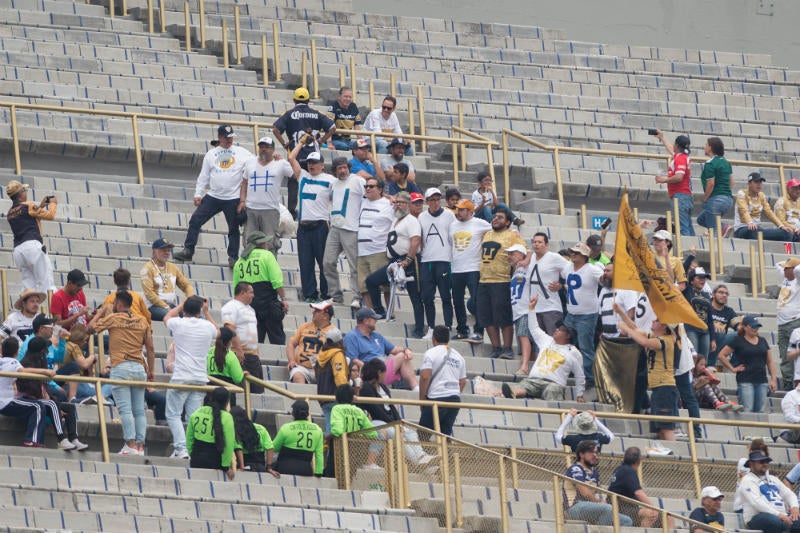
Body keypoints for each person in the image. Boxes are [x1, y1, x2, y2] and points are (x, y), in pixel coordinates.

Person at [173, 125, 251, 268]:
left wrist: (244, 199)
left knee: (233, 229)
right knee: (195, 220)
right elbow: (204, 176)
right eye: (226, 137)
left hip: (233, 197)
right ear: (220, 138)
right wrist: (198, 194)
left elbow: (257, 163)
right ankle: (188, 250)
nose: (229, 140)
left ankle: (233, 257)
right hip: (214, 195)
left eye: (231, 137)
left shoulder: (243, 153)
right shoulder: (211, 154)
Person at [88, 290, 155, 456]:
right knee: (139, 410)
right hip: (139, 368)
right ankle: (140, 446)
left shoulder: (113, 318)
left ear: (118, 304)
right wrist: (151, 371)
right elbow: (151, 348)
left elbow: (90, 329)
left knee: (125, 409)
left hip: (121, 366)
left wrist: (102, 312)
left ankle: (130, 444)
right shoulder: (142, 321)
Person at [163, 295, 219, 459]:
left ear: (185, 310)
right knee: (193, 416)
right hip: (200, 378)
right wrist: (207, 313)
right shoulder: (207, 326)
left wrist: (180, 305)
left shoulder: (179, 323)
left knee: (173, 414)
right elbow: (219, 332)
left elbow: (166, 317)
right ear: (199, 310)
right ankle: (189, 448)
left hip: (181, 376)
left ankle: (181, 448)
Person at [364, 192, 425, 337]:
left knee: (415, 296)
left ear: (408, 205)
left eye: (401, 202)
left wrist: (408, 259)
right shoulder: (396, 220)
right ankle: (379, 311)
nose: (397, 204)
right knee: (371, 281)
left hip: (408, 261)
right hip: (395, 262)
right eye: (396, 202)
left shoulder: (411, 220)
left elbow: (415, 240)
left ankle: (419, 328)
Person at [357, 358, 438, 468]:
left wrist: (400, 422)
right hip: (375, 421)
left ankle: (421, 457)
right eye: (384, 373)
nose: (385, 376)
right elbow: (376, 410)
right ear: (379, 373)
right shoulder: (366, 388)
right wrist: (394, 424)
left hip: (389, 422)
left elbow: (392, 407)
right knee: (398, 434)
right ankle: (420, 462)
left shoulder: (383, 387)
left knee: (410, 432)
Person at [501, 296, 585, 402]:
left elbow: (579, 374)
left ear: (568, 335)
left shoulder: (574, 352)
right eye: (557, 328)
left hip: (554, 384)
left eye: (561, 329)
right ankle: (513, 393)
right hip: (534, 380)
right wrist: (531, 309)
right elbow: (534, 328)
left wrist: (579, 395)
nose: (556, 329)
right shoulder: (546, 340)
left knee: (552, 390)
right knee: (524, 385)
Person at [615, 304, 678, 441]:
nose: (652, 322)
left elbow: (644, 342)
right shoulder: (655, 336)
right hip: (658, 388)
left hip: (665, 387)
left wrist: (625, 328)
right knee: (659, 428)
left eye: (656, 321)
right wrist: (621, 313)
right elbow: (635, 329)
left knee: (666, 427)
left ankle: (674, 458)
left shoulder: (665, 340)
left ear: (664, 326)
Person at [272, 87, 335, 218]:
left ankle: (292, 211)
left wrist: (284, 144)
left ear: (294, 100)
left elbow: (275, 129)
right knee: (316, 180)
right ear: (309, 100)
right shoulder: (316, 113)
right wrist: (322, 140)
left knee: (294, 181)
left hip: (297, 154)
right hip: (314, 155)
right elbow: (332, 127)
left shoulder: (289, 114)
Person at [16, 336, 88, 451]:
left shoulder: (41, 362)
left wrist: (51, 400)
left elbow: (43, 388)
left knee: (70, 407)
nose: (47, 351)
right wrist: (52, 402)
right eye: (45, 349)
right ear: (40, 351)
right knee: (52, 404)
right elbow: (28, 390)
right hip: (27, 399)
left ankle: (74, 439)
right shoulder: (25, 364)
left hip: (40, 399)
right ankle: (61, 440)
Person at [477, 206, 525, 359]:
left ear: (508, 222)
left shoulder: (512, 235)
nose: (495, 219)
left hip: (502, 280)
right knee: (487, 317)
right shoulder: (486, 234)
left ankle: (507, 348)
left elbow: (525, 251)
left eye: (500, 217)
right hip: (484, 280)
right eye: (495, 217)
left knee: (503, 317)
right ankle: (496, 347)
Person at [288, 145, 334, 302]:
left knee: (323, 263)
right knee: (305, 263)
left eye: (315, 162)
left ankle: (326, 293)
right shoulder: (303, 176)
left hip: (321, 225)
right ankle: (310, 294)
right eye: (309, 162)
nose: (311, 165)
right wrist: (300, 143)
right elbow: (291, 158)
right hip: (303, 226)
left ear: (322, 164)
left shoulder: (330, 180)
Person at [0, 337, 62, 448]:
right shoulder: (14, 362)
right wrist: (45, 371)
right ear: (16, 352)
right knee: (37, 406)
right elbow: (24, 371)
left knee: (37, 405)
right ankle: (32, 441)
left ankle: (35, 440)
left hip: (5, 401)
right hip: (5, 402)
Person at [232, 231, 289, 344]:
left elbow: (236, 288)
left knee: (255, 343)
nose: (267, 243)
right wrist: (284, 299)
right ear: (260, 244)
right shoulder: (267, 256)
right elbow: (277, 282)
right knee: (277, 339)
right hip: (269, 305)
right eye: (265, 242)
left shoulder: (240, 260)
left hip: (249, 306)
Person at [240, 136, 295, 253]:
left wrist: (287, 159)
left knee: (270, 243)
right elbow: (244, 182)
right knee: (249, 242)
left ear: (273, 149)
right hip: (251, 209)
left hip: (270, 210)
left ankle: (269, 267)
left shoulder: (281, 163)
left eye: (267, 147)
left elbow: (295, 175)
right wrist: (242, 201)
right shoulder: (250, 162)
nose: (263, 149)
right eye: (261, 147)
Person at [322, 157, 365, 305]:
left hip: (351, 228)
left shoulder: (357, 180)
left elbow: (371, 193)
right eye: (339, 168)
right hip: (335, 227)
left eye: (344, 167)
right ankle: (336, 295)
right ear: (335, 171)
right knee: (328, 262)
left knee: (354, 265)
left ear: (349, 167)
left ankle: (357, 296)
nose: (342, 170)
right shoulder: (333, 184)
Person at [344, 308, 418, 390]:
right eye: (374, 319)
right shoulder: (351, 336)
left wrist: (406, 350)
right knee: (401, 356)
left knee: (404, 355)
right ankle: (415, 388)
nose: (376, 321)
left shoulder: (377, 336)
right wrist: (369, 369)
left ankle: (415, 388)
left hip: (383, 367)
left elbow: (394, 349)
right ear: (366, 321)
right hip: (369, 370)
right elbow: (352, 359)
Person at [450, 198, 491, 343]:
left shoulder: (480, 224)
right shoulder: (453, 225)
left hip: (474, 267)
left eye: (462, 209)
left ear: (470, 211)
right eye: (458, 209)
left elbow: (495, 231)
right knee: (457, 301)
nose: (458, 212)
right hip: (456, 268)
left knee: (476, 301)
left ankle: (479, 331)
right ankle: (462, 329)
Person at [565, 440, 633, 527]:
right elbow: (584, 491)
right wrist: (599, 502)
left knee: (627, 521)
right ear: (581, 454)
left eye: (596, 452)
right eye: (591, 452)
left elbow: (601, 492)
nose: (594, 455)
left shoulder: (595, 473)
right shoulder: (575, 468)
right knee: (607, 508)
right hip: (574, 507)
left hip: (591, 508)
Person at [718, 316, 778, 413]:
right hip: (745, 380)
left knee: (760, 411)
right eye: (752, 326)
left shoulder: (762, 340)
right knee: (747, 410)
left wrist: (773, 380)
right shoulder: (738, 340)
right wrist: (733, 369)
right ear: (745, 327)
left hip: (762, 380)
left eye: (757, 326)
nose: (755, 329)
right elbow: (721, 355)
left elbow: (770, 361)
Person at [562, 242, 603, 384]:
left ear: (585, 256)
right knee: (563, 343)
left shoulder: (592, 269)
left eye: (577, 253)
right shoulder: (568, 267)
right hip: (570, 313)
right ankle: (565, 372)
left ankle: (590, 379)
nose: (573, 254)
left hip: (587, 315)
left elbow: (604, 280)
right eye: (572, 251)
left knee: (586, 348)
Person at [5, 179, 57, 292]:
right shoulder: (28, 205)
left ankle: (26, 309)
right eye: (25, 190)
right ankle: (52, 308)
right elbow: (51, 215)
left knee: (28, 288)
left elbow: (27, 216)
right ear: (20, 193)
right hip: (32, 246)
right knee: (47, 283)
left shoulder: (9, 212)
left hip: (18, 251)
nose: (26, 192)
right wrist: (53, 203)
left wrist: (41, 206)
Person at [418, 188, 456, 338]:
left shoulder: (449, 215)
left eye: (437, 199)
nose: (435, 203)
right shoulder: (421, 216)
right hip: (426, 260)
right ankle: (432, 328)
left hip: (444, 260)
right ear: (427, 202)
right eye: (432, 200)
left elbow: (453, 237)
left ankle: (447, 327)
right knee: (427, 297)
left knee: (446, 296)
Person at [526, 232, 569, 361]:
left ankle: (556, 367)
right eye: (534, 242)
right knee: (539, 343)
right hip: (535, 308)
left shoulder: (554, 257)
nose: (536, 244)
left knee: (554, 340)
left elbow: (571, 272)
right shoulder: (532, 257)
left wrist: (561, 285)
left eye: (539, 242)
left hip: (551, 308)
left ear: (546, 244)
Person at [418, 326, 466, 437]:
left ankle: (424, 454)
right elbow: (463, 381)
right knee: (445, 436)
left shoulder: (430, 353)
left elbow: (425, 377)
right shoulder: (459, 356)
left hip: (436, 398)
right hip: (454, 400)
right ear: (448, 339)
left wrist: (422, 401)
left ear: (433, 338)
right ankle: (446, 454)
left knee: (422, 436)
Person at [738, 450, 800, 533]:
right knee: (774, 522)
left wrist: (795, 507)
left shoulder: (773, 479)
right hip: (757, 517)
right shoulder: (747, 480)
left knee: (797, 522)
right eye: (761, 461)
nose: (765, 464)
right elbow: (756, 503)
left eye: (767, 461)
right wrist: (779, 515)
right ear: (751, 464)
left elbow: (789, 494)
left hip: (780, 515)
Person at [356, 177, 394, 310]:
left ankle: (390, 313)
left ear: (380, 189)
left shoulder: (389, 204)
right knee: (364, 286)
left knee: (385, 286)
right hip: (361, 251)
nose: (367, 188)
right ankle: (371, 313)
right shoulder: (363, 201)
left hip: (379, 251)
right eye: (366, 186)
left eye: (371, 186)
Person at [220, 282, 264, 394]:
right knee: (241, 388)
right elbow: (230, 328)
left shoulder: (251, 309)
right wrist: (238, 349)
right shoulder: (231, 306)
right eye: (251, 292)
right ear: (242, 292)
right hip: (239, 354)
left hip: (253, 356)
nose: (253, 295)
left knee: (257, 390)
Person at [186, 387, 236, 479]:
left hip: (196, 459)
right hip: (216, 461)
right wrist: (225, 466)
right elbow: (229, 444)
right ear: (227, 401)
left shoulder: (197, 412)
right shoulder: (227, 417)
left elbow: (189, 438)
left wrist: (192, 454)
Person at [140, 239, 195, 321]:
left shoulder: (173, 267)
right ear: (154, 252)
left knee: (194, 316)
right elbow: (149, 294)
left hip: (170, 305)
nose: (167, 253)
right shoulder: (147, 268)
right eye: (163, 250)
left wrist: (188, 299)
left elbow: (187, 285)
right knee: (174, 317)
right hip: (153, 306)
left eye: (168, 250)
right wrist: (166, 307)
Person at [607, 447, 661, 528]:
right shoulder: (628, 471)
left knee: (667, 517)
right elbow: (638, 493)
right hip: (621, 509)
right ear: (639, 461)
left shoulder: (619, 469)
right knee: (650, 514)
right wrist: (654, 508)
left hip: (629, 509)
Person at [654, 130, 694, 236]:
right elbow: (671, 150)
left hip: (680, 196)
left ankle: (687, 251)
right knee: (687, 226)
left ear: (677, 145)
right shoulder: (681, 156)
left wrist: (664, 180)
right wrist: (662, 138)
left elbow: (679, 177)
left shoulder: (680, 159)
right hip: (684, 196)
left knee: (683, 227)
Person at [733, 172, 793, 241]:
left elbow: (769, 212)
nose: (759, 184)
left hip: (758, 229)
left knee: (787, 233)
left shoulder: (761, 196)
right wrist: (750, 222)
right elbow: (743, 210)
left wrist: (781, 226)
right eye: (756, 182)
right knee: (753, 232)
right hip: (742, 228)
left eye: (760, 182)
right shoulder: (742, 194)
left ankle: (787, 251)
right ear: (749, 184)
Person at [286, 300, 335, 384]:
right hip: (302, 368)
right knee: (297, 375)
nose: (313, 312)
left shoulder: (334, 332)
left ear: (325, 316)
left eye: (317, 311)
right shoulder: (304, 326)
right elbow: (291, 344)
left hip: (323, 370)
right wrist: (291, 360)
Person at [272, 399, 325, 476]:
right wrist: (319, 472)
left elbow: (274, 448)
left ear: (293, 413)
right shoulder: (318, 430)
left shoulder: (286, 428)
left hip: (284, 468)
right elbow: (319, 454)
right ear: (308, 413)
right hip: (306, 470)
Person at [696, 137, 734, 233]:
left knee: (714, 231)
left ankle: (722, 228)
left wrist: (705, 198)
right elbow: (731, 181)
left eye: (706, 145)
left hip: (715, 200)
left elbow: (711, 183)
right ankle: (723, 227)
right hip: (728, 200)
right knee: (701, 219)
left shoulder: (710, 163)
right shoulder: (726, 162)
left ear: (710, 147)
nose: (704, 147)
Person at [315, 327, 349, 433]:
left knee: (330, 426)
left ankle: (328, 449)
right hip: (336, 397)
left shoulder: (320, 355)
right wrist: (346, 394)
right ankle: (331, 450)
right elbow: (339, 376)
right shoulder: (337, 354)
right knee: (337, 429)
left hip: (323, 397)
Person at [230, 405, 278, 476]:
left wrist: (242, 467)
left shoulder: (235, 430)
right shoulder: (261, 428)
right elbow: (270, 448)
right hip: (261, 466)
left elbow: (238, 449)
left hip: (246, 465)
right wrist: (269, 467)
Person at [507, 244, 533, 366]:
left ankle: (524, 366)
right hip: (517, 311)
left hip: (525, 310)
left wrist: (526, 258)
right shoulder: (515, 271)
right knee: (522, 339)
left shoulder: (528, 266)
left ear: (521, 254)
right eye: (509, 254)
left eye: (513, 253)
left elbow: (532, 252)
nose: (509, 256)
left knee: (523, 336)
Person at [207, 327, 245, 405]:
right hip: (226, 397)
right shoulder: (230, 355)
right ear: (229, 341)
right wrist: (243, 373)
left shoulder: (208, 351)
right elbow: (238, 379)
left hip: (210, 393)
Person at [60, 324, 97, 403]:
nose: (85, 343)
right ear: (78, 338)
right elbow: (84, 364)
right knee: (99, 394)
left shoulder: (64, 345)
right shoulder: (73, 346)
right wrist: (92, 356)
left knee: (107, 400)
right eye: (84, 340)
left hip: (66, 385)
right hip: (70, 385)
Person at [778, 258, 800, 390]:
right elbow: (777, 264)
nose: (784, 270)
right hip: (782, 323)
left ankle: (795, 384)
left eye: (788, 268)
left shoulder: (798, 280)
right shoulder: (785, 279)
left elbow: (798, 270)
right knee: (785, 356)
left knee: (795, 355)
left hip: (794, 321)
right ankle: (787, 385)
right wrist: (788, 262)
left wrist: (796, 264)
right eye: (785, 268)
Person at [683, 267, 714, 360]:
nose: (702, 280)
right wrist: (691, 256)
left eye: (704, 278)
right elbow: (683, 272)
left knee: (703, 361)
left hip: (705, 331)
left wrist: (713, 339)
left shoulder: (707, 295)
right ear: (691, 280)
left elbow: (710, 319)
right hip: (690, 329)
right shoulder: (687, 291)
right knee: (693, 359)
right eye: (699, 278)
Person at [707, 284, 739, 368]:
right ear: (713, 294)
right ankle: (710, 364)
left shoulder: (729, 311)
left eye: (726, 294)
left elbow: (737, 325)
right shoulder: (706, 305)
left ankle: (735, 363)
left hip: (721, 342)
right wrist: (712, 326)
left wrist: (744, 326)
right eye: (721, 292)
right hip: (706, 338)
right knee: (719, 332)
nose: (724, 295)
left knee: (741, 333)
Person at [327, 87, 362, 151]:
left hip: (348, 141)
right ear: (339, 97)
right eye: (345, 96)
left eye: (350, 97)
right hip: (335, 140)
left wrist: (362, 144)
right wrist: (329, 143)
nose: (348, 99)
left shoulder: (353, 107)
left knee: (363, 148)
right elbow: (328, 126)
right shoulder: (333, 106)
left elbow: (357, 126)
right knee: (344, 147)